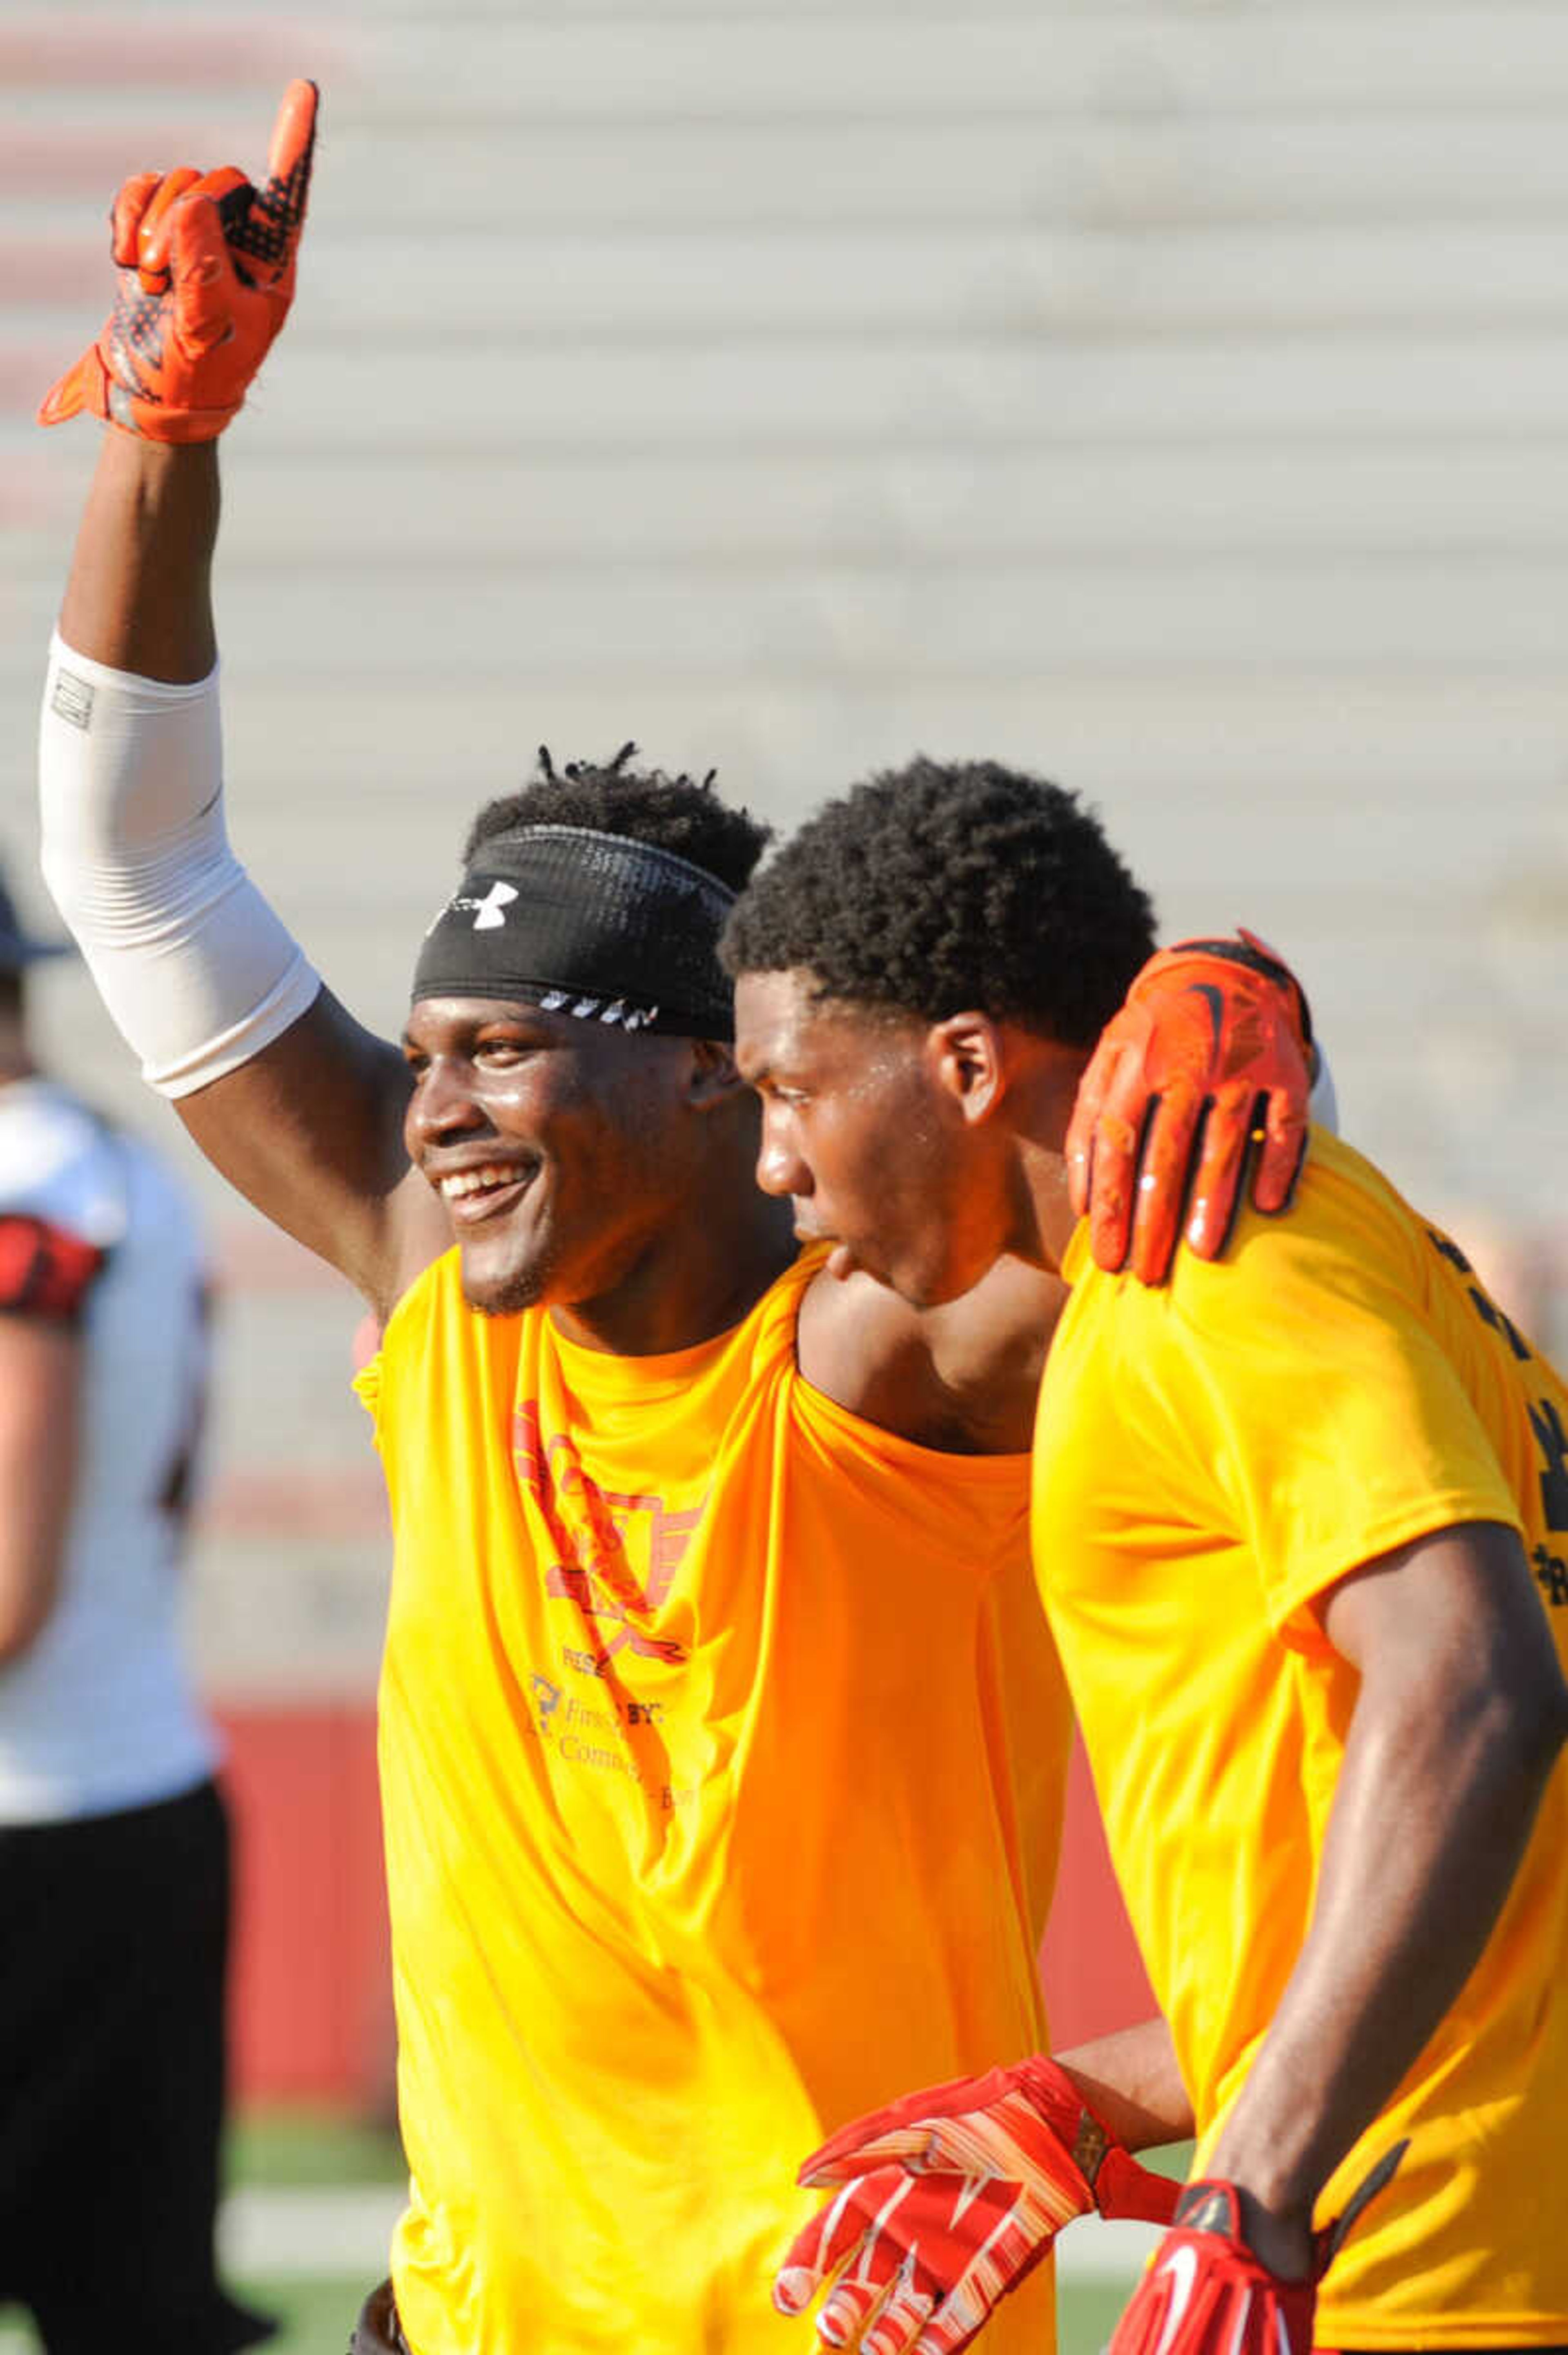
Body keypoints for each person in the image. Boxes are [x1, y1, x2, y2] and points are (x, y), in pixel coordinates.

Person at [34, 85, 1319, 2355]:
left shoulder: (897, 1355)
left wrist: (1214, 990)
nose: (428, 1105)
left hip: (857, 2324)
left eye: (506, 1049)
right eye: (422, 1049)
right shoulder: (438, 1288)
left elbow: (1214, 1230)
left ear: (717, 1073)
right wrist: (169, 431)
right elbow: (138, 864)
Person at [720, 757, 1568, 2355]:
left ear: (965, 1061)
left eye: (788, 1087)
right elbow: (1463, 1859)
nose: (774, 1160)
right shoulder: (1318, 1224)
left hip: (1420, 2272)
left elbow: (1476, 1689)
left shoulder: (1202, 1272)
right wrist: (1091, 2098)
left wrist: (1249, 2183)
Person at [0, 867, 270, 2355]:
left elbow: (6, 1585)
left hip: (34, 1834)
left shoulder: (25, 1184)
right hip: (128, 1799)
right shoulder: (99, 1162)